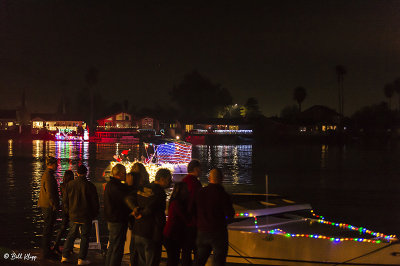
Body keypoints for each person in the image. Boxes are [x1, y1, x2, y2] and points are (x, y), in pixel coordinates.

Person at [129, 168, 172, 266]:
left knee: (141, 262)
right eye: (169, 179)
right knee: (152, 261)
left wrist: (135, 209)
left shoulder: (143, 187)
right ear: (162, 179)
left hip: (138, 232)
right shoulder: (160, 193)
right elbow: (152, 209)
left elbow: (128, 198)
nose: (171, 182)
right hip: (151, 234)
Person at [195, 169, 235, 266]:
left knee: (199, 260)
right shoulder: (223, 195)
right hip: (218, 232)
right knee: (218, 261)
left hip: (202, 231)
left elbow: (193, 209)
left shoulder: (200, 192)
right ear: (222, 179)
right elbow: (230, 214)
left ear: (209, 178)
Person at [61, 165, 99, 265]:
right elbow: (95, 203)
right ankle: (81, 259)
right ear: (86, 173)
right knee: (85, 237)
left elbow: (65, 200)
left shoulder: (70, 184)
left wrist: (68, 211)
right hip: (86, 216)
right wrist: (94, 214)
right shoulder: (90, 186)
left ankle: (64, 256)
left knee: (71, 236)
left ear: (77, 173)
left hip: (73, 215)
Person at [104, 164, 132, 266]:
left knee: (112, 246)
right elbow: (125, 200)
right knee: (117, 248)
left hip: (111, 219)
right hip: (117, 220)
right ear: (120, 174)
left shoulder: (110, 184)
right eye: (124, 172)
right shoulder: (118, 187)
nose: (125, 174)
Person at [38, 156, 60, 261]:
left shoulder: (47, 174)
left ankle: (47, 250)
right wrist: (54, 205)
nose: (57, 165)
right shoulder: (49, 176)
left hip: (46, 205)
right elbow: (50, 193)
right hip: (48, 206)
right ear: (52, 164)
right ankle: (46, 252)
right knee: (48, 229)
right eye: (56, 163)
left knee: (48, 229)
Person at [181, 159, 202, 265]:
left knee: (185, 250)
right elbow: (197, 203)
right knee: (197, 250)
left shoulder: (183, 181)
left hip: (183, 221)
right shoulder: (196, 184)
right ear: (196, 169)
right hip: (193, 222)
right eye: (200, 168)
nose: (201, 171)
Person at [163, 182, 190, 266]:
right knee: (173, 259)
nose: (187, 191)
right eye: (185, 189)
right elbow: (185, 218)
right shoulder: (177, 203)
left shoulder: (174, 202)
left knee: (173, 259)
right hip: (172, 235)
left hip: (171, 235)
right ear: (181, 191)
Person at [53, 170, 74, 254]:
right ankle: (69, 247)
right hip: (72, 209)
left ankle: (56, 245)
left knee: (63, 228)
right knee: (72, 230)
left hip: (64, 209)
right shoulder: (72, 186)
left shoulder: (62, 185)